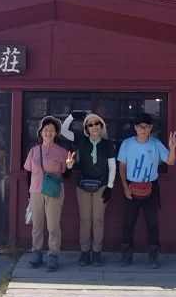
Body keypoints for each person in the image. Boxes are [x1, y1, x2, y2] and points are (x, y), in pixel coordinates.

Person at [118, 112, 176, 269]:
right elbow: (122, 166)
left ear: (150, 128)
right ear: (135, 128)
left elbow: (170, 161)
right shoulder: (127, 144)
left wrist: (172, 148)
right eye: (139, 126)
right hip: (132, 186)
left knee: (152, 223)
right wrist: (125, 187)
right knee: (128, 222)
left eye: (146, 127)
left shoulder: (156, 144)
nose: (142, 129)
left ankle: (153, 256)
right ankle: (126, 256)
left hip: (150, 187)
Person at [61, 111, 116, 267]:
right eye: (90, 125)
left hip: (101, 185)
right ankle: (85, 252)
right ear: (86, 128)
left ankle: (97, 252)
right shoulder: (81, 140)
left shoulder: (107, 144)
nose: (94, 127)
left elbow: (112, 167)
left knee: (98, 220)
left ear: (101, 126)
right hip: (83, 185)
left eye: (97, 123)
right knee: (85, 220)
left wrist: (110, 186)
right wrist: (72, 116)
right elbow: (63, 131)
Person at [24, 116, 71, 272]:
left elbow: (67, 175)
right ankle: (36, 253)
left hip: (53, 192)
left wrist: (70, 166)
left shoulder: (62, 152)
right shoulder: (33, 151)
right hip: (36, 191)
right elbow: (28, 174)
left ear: (56, 133)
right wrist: (29, 193)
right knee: (37, 224)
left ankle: (53, 255)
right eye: (45, 130)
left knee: (53, 225)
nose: (48, 133)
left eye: (51, 130)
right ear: (40, 132)